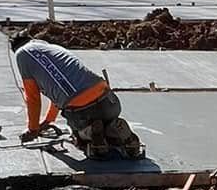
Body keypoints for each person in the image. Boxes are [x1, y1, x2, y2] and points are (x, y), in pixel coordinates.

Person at [10, 35, 144, 160]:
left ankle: (90, 133)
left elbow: (33, 98)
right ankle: (118, 131)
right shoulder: (53, 49)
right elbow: (59, 90)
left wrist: (33, 129)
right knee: (106, 122)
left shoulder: (22, 55)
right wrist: (49, 120)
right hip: (108, 100)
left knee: (78, 138)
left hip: (83, 112)